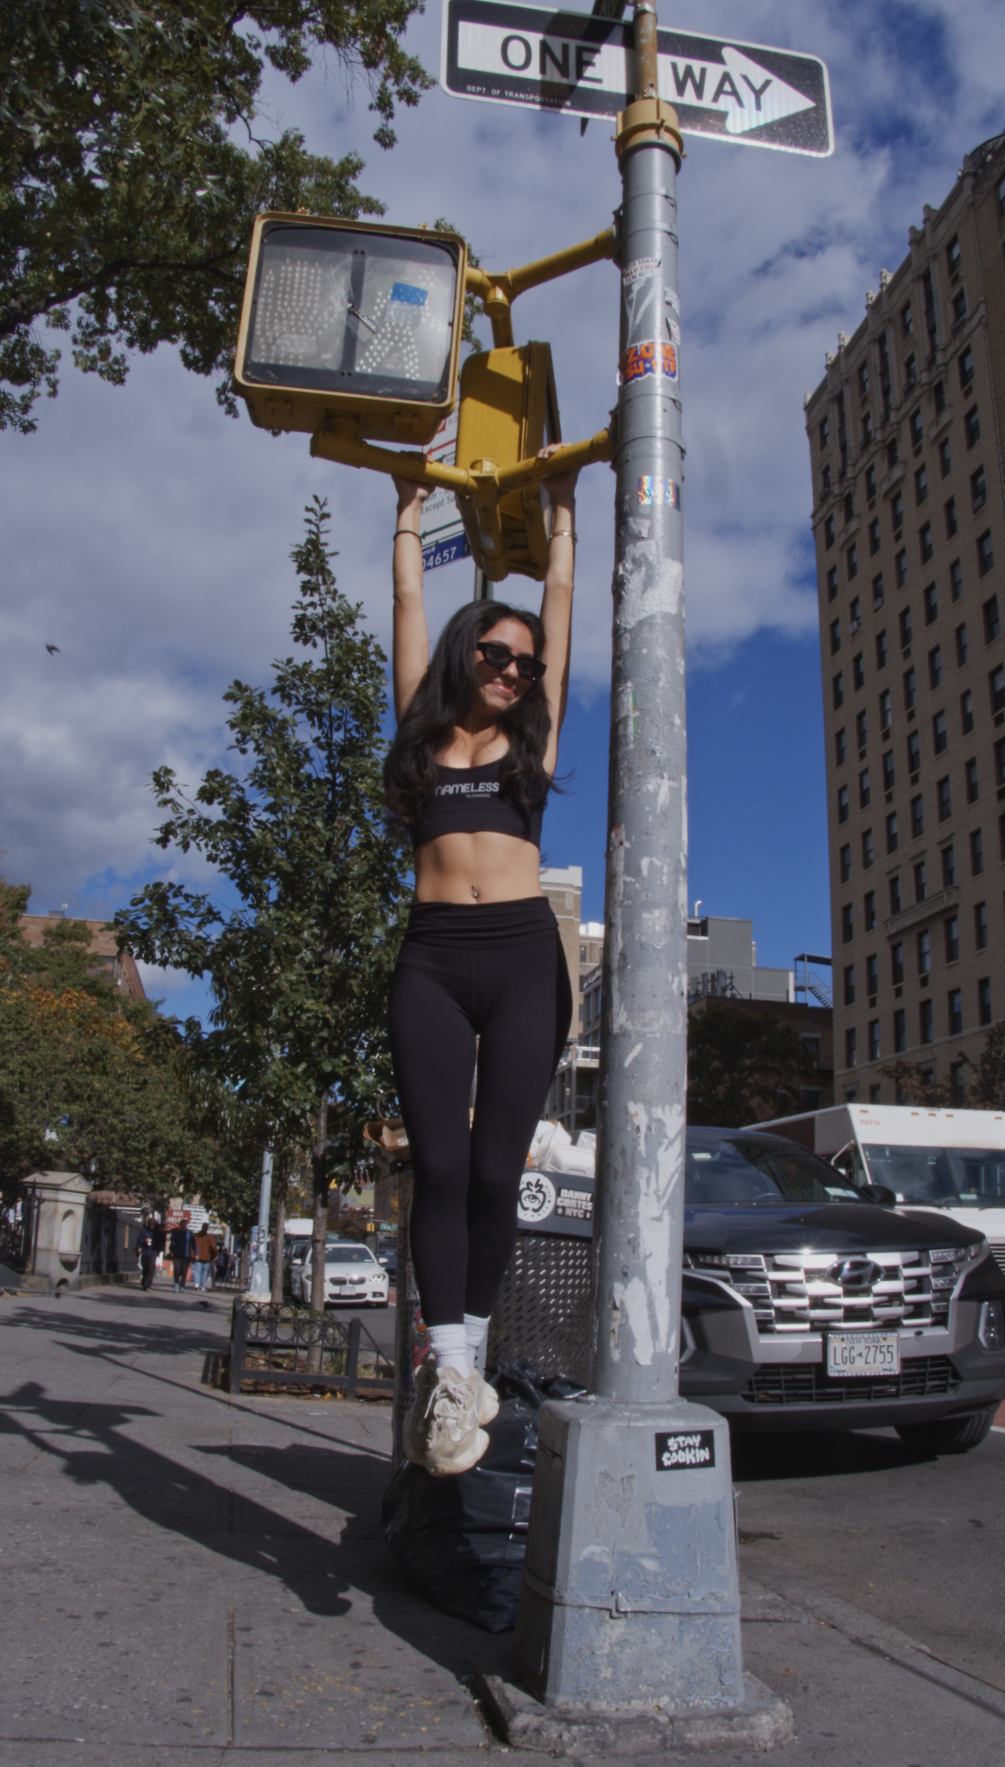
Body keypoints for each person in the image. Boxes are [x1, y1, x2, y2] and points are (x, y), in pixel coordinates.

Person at [384, 445, 578, 1476]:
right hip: (431, 955)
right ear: (469, 656)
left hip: (519, 957)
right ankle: (449, 1367)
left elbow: (561, 599)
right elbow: (410, 603)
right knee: (442, 1165)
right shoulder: (422, 728)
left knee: (500, 1169)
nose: (510, 671)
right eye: (496, 655)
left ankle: (470, 1356)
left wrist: (563, 509)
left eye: (524, 663)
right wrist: (410, 513)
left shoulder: (532, 747)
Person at [136, 1215, 163, 1292]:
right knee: (145, 1269)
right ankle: (144, 1282)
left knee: (151, 1269)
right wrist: (145, 1241)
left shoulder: (157, 1232)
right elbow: (138, 1240)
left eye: (153, 1226)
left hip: (153, 1252)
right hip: (145, 1252)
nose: (152, 1228)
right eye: (150, 1226)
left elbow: (160, 1242)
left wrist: (158, 1251)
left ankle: (148, 1286)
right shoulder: (143, 1231)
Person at [170, 1216, 196, 1291]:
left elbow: (193, 1244)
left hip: (186, 1256)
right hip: (177, 1254)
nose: (183, 1228)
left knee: (184, 1271)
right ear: (180, 1225)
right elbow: (172, 1242)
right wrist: (171, 1251)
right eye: (181, 1226)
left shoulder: (189, 1233)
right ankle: (176, 1283)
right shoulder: (176, 1233)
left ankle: (182, 1286)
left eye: (184, 1226)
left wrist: (196, 1253)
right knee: (177, 1270)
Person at [192, 1222, 218, 1291]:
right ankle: (202, 1286)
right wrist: (215, 1255)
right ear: (207, 1229)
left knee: (197, 1270)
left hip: (198, 1256)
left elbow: (192, 1245)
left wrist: (193, 1255)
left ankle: (196, 1283)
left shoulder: (196, 1236)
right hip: (206, 1257)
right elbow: (213, 1247)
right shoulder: (209, 1237)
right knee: (204, 1272)